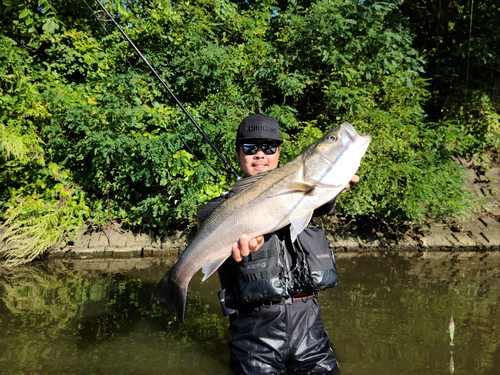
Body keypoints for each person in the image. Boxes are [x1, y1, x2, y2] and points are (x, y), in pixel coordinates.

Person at [199, 114, 358, 374]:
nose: (260, 154)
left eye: (269, 147)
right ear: (238, 153)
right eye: (250, 148)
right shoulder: (223, 209)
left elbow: (320, 200)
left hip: (310, 327)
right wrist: (233, 253)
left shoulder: (304, 188)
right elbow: (210, 256)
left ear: (279, 152)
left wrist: (335, 185)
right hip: (254, 335)